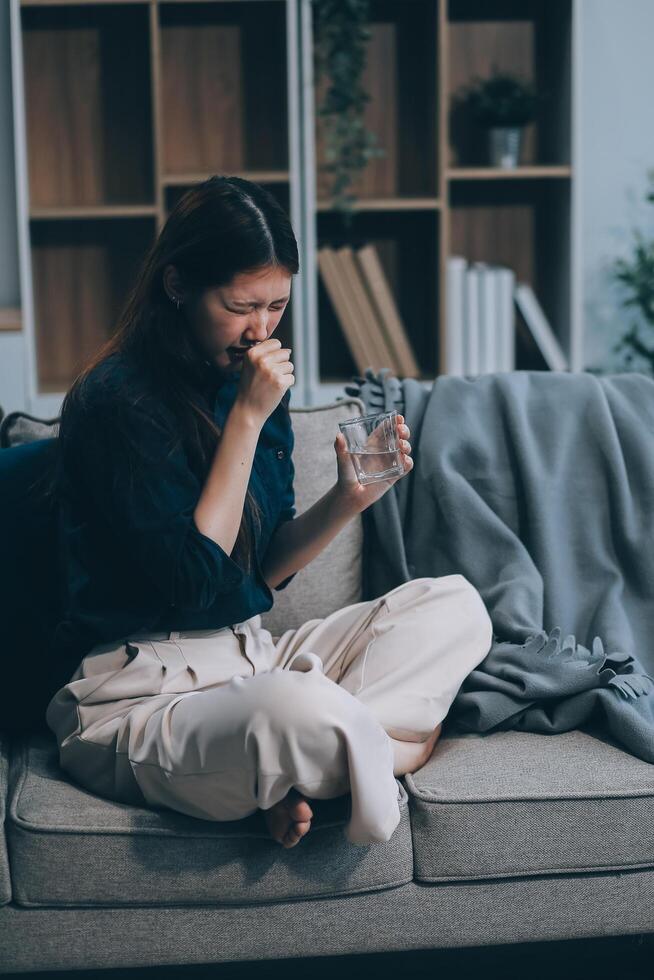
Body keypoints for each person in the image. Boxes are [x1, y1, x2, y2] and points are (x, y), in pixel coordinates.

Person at [41, 175, 493, 849]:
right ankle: (387, 750)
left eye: (277, 306)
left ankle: (305, 765)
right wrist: (246, 420)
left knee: (455, 606)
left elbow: (268, 566)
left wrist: (349, 498)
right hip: (138, 695)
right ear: (177, 286)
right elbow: (194, 580)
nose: (260, 329)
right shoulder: (117, 403)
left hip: (253, 660)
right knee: (293, 709)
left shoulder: (253, 384)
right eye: (240, 305)